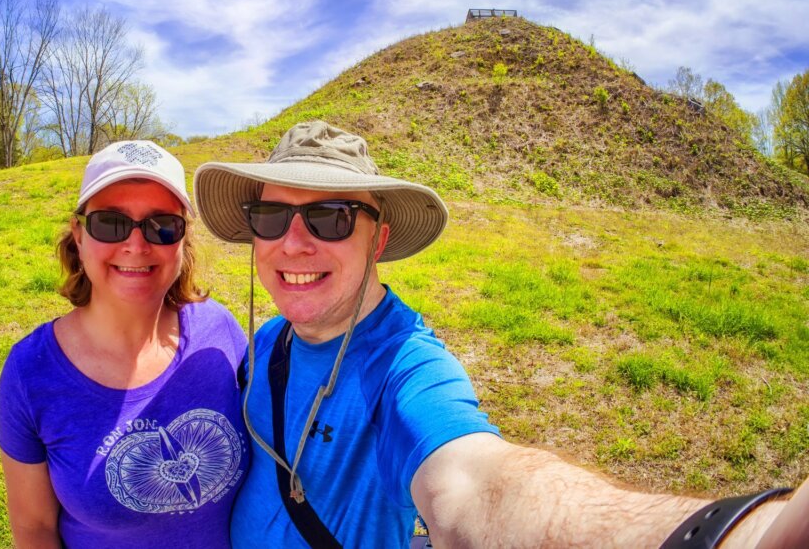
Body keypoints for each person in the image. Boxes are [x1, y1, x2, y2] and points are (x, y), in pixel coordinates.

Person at [193, 121, 809, 548]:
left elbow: (475, 487)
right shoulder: (267, 341)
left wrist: (741, 535)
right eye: (270, 216)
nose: (293, 243)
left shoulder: (405, 366)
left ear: (377, 238)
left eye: (330, 217)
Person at [0, 140, 248, 548]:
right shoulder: (31, 371)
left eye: (162, 225)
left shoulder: (220, 333)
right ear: (78, 236)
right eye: (110, 223)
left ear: (183, 241)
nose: (136, 245)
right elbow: (34, 529)